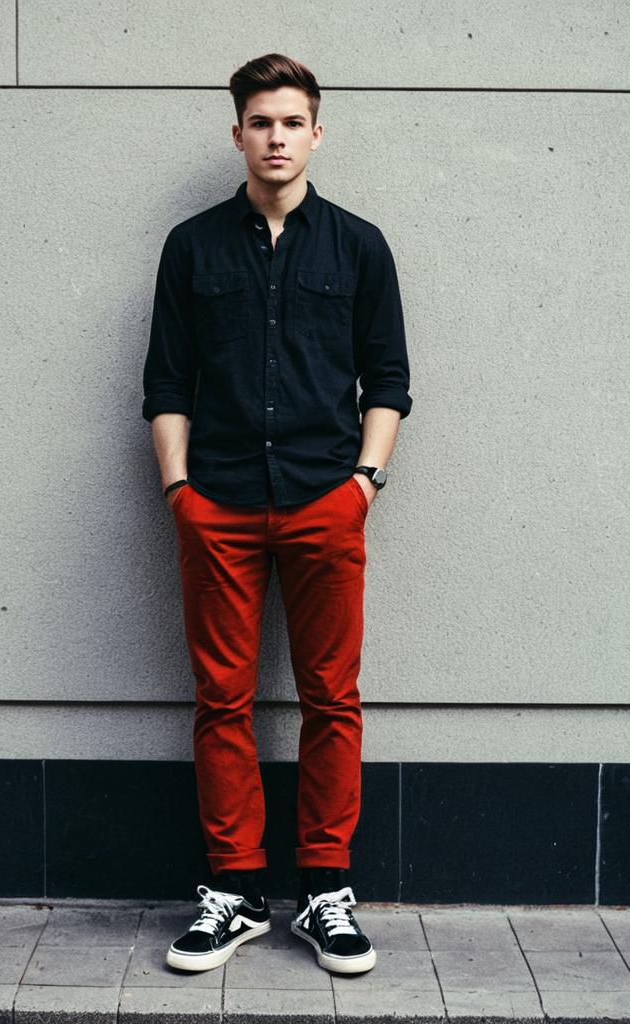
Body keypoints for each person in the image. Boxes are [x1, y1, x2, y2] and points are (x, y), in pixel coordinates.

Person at [142, 52, 412, 975]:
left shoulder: (360, 245)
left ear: (316, 134)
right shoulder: (193, 246)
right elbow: (165, 381)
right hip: (216, 503)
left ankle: (326, 890)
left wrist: (363, 484)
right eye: (261, 122)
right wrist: (181, 493)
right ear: (238, 134)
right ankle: (234, 892)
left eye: (292, 122)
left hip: (323, 503)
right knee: (222, 700)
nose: (277, 138)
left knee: (332, 697)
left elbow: (391, 381)